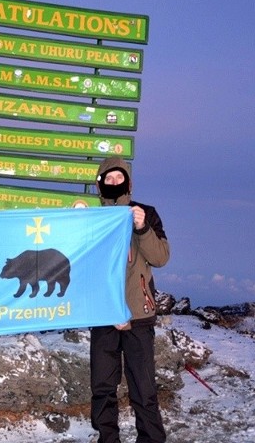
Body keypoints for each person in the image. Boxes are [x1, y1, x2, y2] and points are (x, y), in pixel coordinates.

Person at [90, 156, 170, 443]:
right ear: (99, 184)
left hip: (138, 315)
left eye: (118, 178)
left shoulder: (145, 213)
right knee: (102, 389)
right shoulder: (91, 218)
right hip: (102, 315)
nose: (113, 183)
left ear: (129, 182)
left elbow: (160, 257)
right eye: (107, 179)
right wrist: (75, 220)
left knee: (144, 390)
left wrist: (143, 228)